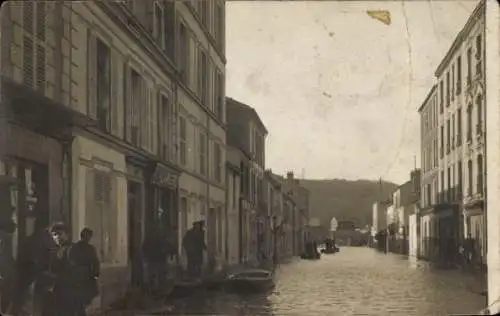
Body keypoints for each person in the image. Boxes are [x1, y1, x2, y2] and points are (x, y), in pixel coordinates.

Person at [68, 228, 100, 316]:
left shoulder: (74, 247)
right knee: (83, 298)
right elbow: (95, 262)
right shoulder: (89, 248)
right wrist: (95, 274)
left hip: (78, 276)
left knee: (80, 299)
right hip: (84, 276)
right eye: (88, 236)